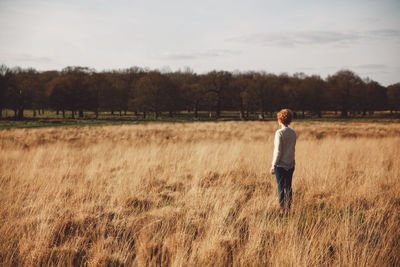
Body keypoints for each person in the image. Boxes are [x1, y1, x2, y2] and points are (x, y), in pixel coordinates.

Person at [270, 109, 296, 216]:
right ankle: (288, 210)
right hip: (290, 163)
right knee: (288, 187)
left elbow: (278, 151)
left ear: (280, 119)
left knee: (281, 186)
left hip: (280, 165)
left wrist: (273, 165)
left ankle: (282, 210)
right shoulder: (293, 133)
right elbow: (292, 149)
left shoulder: (279, 133)